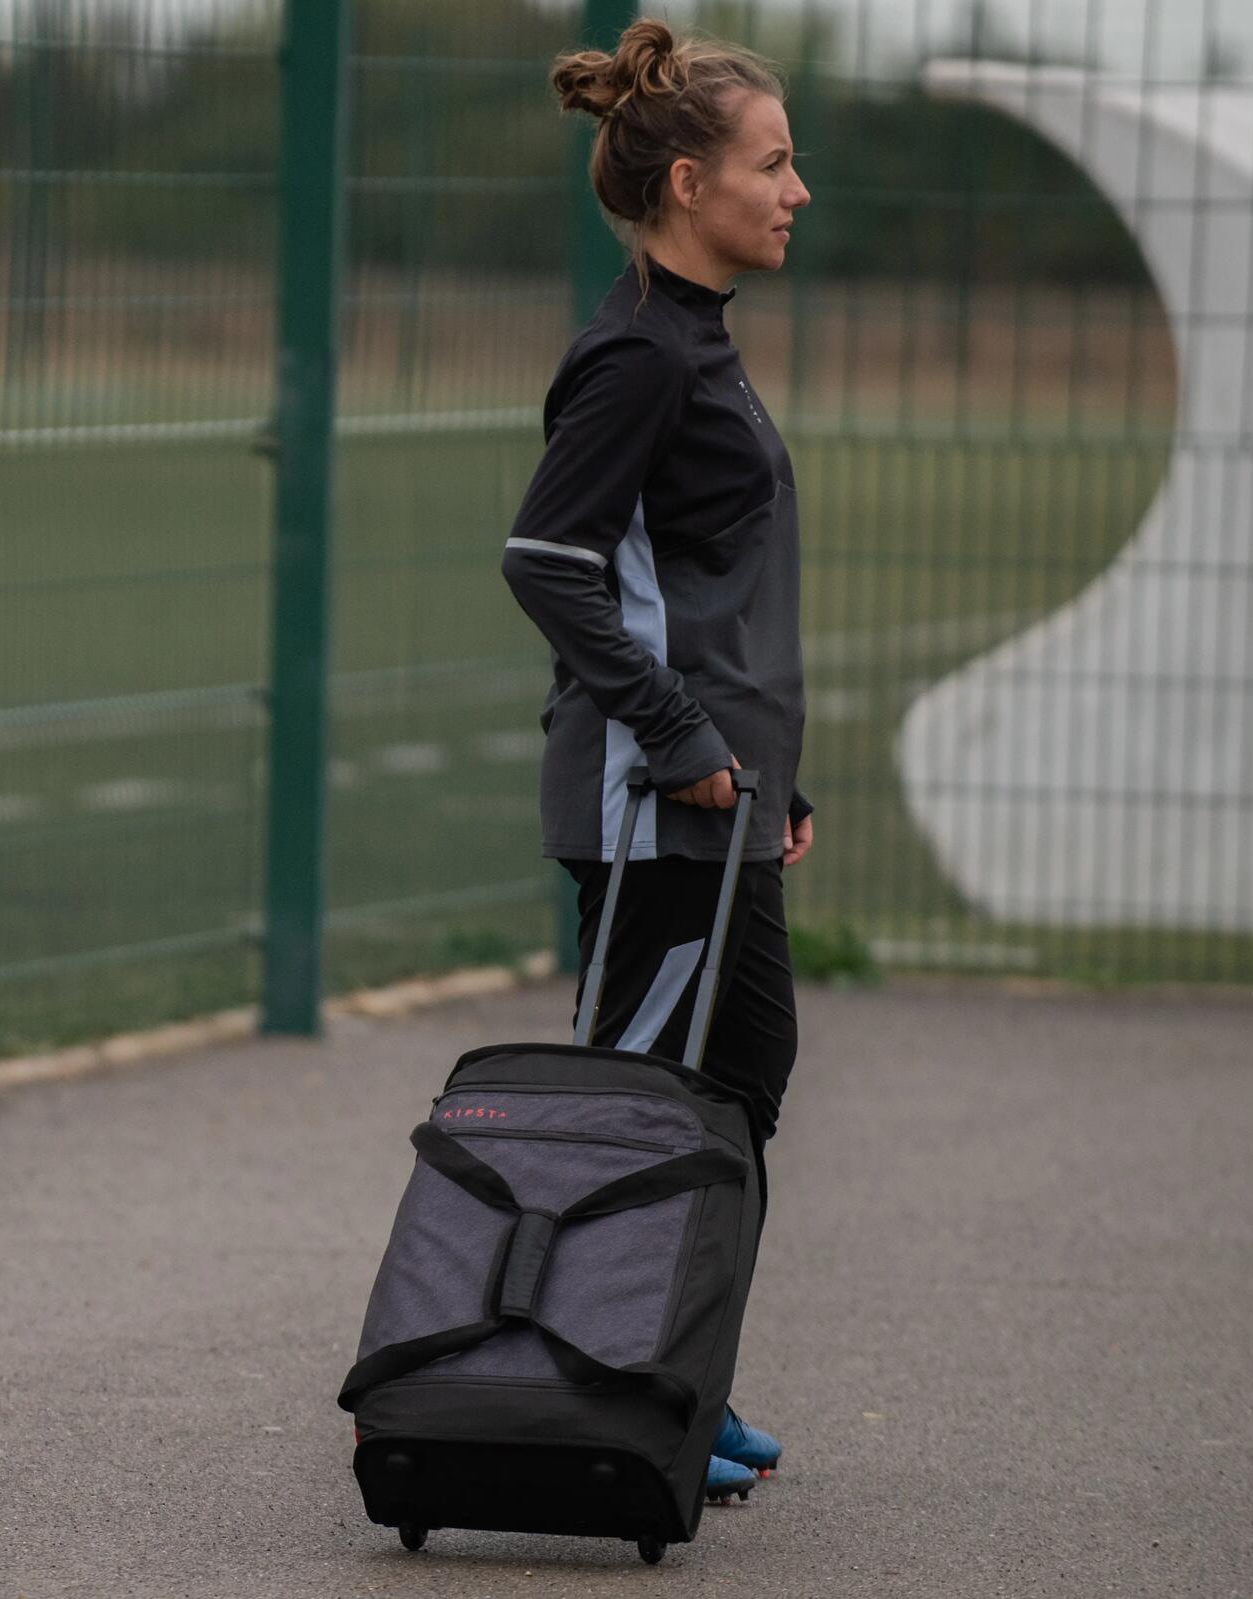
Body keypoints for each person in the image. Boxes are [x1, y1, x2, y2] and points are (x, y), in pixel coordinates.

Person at [499, 17, 813, 1502]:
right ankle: (555, 1384)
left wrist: (768, 772)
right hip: (651, 810)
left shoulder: (694, 341)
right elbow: (548, 561)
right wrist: (686, 740)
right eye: (773, 161)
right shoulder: (635, 353)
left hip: (717, 798)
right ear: (689, 182)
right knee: (632, 1101)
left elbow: (694, 591)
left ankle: (673, 1375)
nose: (796, 188)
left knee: (738, 1072)